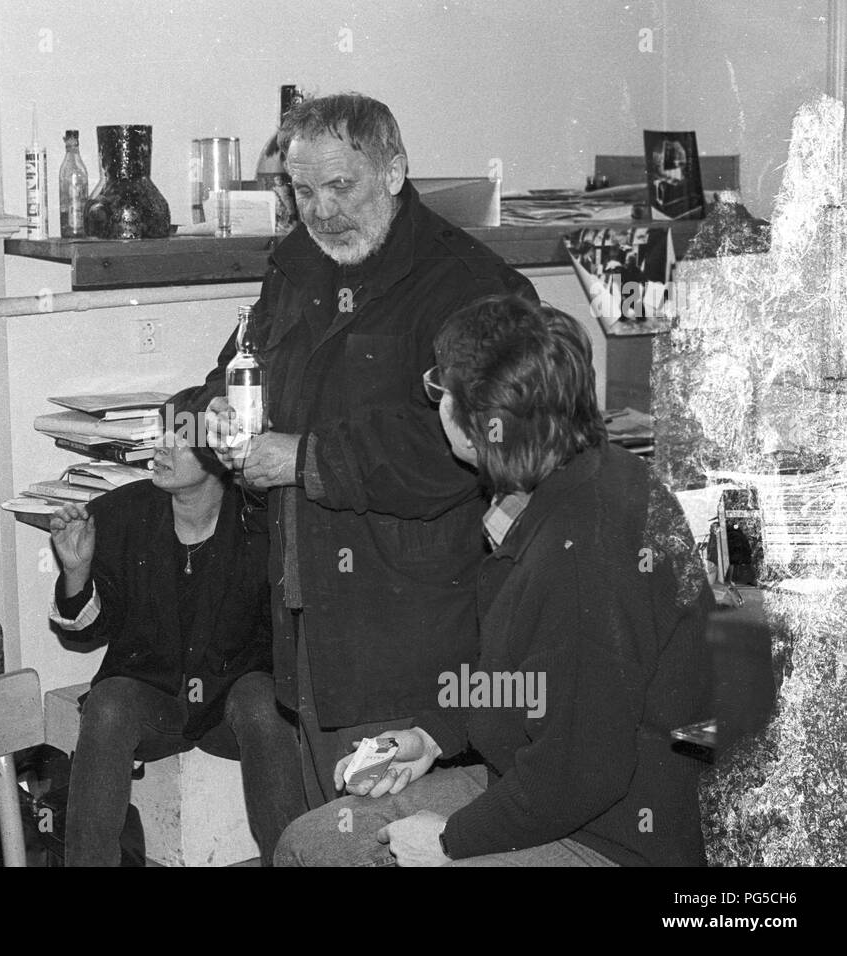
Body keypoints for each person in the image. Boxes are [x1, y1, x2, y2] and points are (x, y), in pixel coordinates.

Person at [275, 296, 714, 866]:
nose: (438, 402)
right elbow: (527, 677)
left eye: (445, 391)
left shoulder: (583, 549)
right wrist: (431, 735)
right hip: (549, 789)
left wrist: (450, 842)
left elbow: (585, 767)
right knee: (312, 844)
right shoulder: (568, 484)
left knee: (341, 855)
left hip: (611, 835)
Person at [201, 92, 537, 806]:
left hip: (412, 645)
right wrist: (211, 422)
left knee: (396, 841)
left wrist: (305, 459)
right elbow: (228, 375)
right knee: (328, 836)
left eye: (340, 186)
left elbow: (479, 445)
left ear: (393, 170)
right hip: (306, 634)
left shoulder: (470, 285)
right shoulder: (294, 267)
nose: (321, 210)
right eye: (302, 189)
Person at [48, 392, 306, 866]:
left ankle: (290, 861)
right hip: (156, 696)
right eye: (158, 435)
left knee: (261, 702)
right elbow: (85, 633)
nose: (158, 449)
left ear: (217, 454)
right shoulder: (120, 513)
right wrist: (77, 572)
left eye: (177, 438)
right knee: (107, 705)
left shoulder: (260, 519)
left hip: (232, 699)